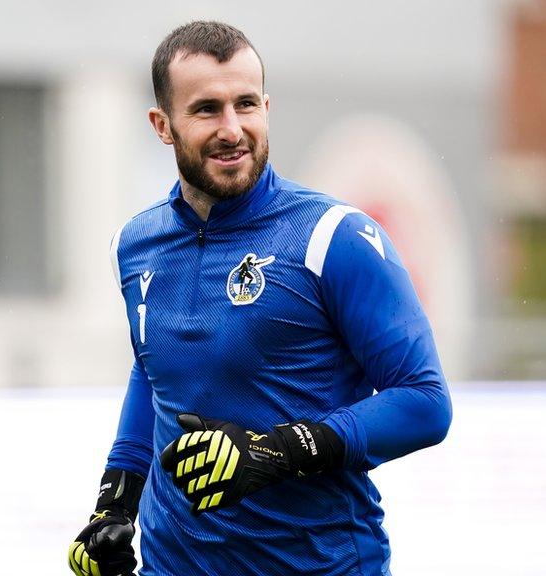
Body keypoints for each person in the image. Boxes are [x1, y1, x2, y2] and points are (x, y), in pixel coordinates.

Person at [67, 20, 452, 576]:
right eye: (206, 109)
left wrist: (277, 452)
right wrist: (115, 502)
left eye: (246, 104)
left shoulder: (332, 238)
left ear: (267, 107)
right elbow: (153, 373)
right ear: (162, 124)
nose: (232, 129)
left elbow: (424, 403)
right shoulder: (133, 246)